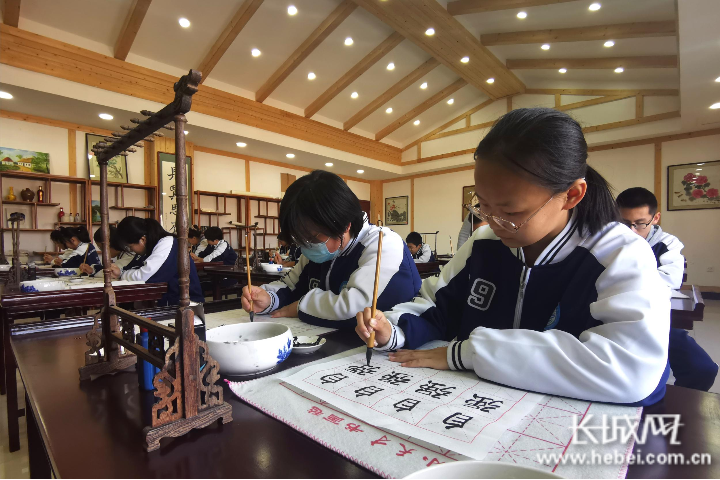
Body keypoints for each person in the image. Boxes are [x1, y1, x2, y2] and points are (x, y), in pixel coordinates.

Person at [355, 108, 670, 406]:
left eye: (510, 210)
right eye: (483, 205)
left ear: (571, 195)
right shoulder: (484, 243)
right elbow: (436, 305)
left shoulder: (618, 255)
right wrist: (391, 330)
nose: (492, 220)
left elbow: (631, 371)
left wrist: (470, 353)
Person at [241, 170, 422, 327]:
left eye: (311, 236)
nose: (306, 244)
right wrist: (268, 299)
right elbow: (290, 286)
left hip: (387, 350)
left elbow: (356, 309)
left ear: (345, 226)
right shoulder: (314, 249)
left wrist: (300, 307)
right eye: (299, 237)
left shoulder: (383, 243)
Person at [617, 186, 718, 392]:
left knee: (702, 369)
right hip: (613, 317)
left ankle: (674, 409)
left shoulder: (667, 244)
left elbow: (667, 282)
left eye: (640, 224)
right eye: (625, 223)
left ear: (655, 218)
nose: (632, 231)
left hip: (652, 319)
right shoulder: (606, 239)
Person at [113, 217, 204, 306]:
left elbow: (144, 277)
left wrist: (123, 274)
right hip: (168, 303)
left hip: (185, 306)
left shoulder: (167, 244)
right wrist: (120, 272)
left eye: (130, 247)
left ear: (142, 240)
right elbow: (133, 267)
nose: (132, 250)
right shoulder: (150, 247)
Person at [79, 226, 146, 277]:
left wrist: (93, 272)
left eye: (102, 248)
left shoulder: (129, 255)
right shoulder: (122, 254)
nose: (103, 252)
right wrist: (92, 269)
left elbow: (110, 272)